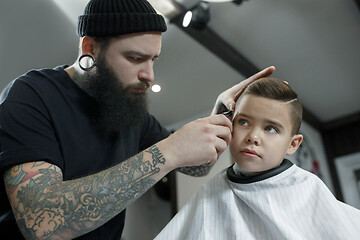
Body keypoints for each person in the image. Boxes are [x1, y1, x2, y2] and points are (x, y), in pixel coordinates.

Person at [0, 0, 276, 239]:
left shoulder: (134, 117)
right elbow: (40, 223)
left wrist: (219, 115)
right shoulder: (33, 94)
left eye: (153, 59)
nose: (149, 74)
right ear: (90, 48)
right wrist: (168, 151)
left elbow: (198, 165)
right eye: (135, 58)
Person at [155, 77, 360, 240]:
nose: (253, 136)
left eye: (270, 128)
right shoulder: (212, 191)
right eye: (243, 122)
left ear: (293, 144)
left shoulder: (310, 190)